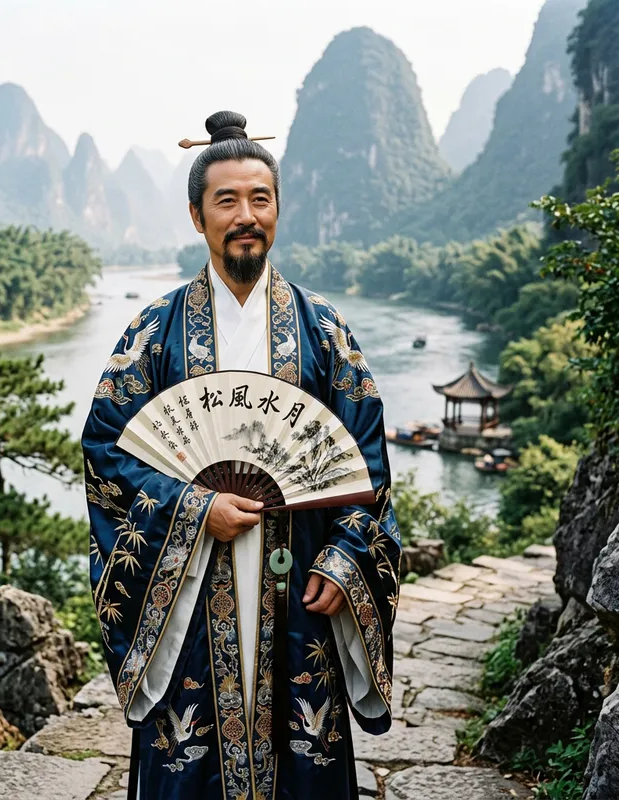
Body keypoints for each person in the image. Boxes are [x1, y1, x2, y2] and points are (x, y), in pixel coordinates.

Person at [82, 110, 401, 800]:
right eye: (227, 200)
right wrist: (194, 509)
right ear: (197, 216)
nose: (245, 215)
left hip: (299, 595)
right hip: (192, 598)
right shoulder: (153, 333)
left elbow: (367, 463)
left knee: (303, 758)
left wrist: (344, 563)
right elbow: (107, 450)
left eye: (260, 198)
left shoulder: (324, 331)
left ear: (279, 209)